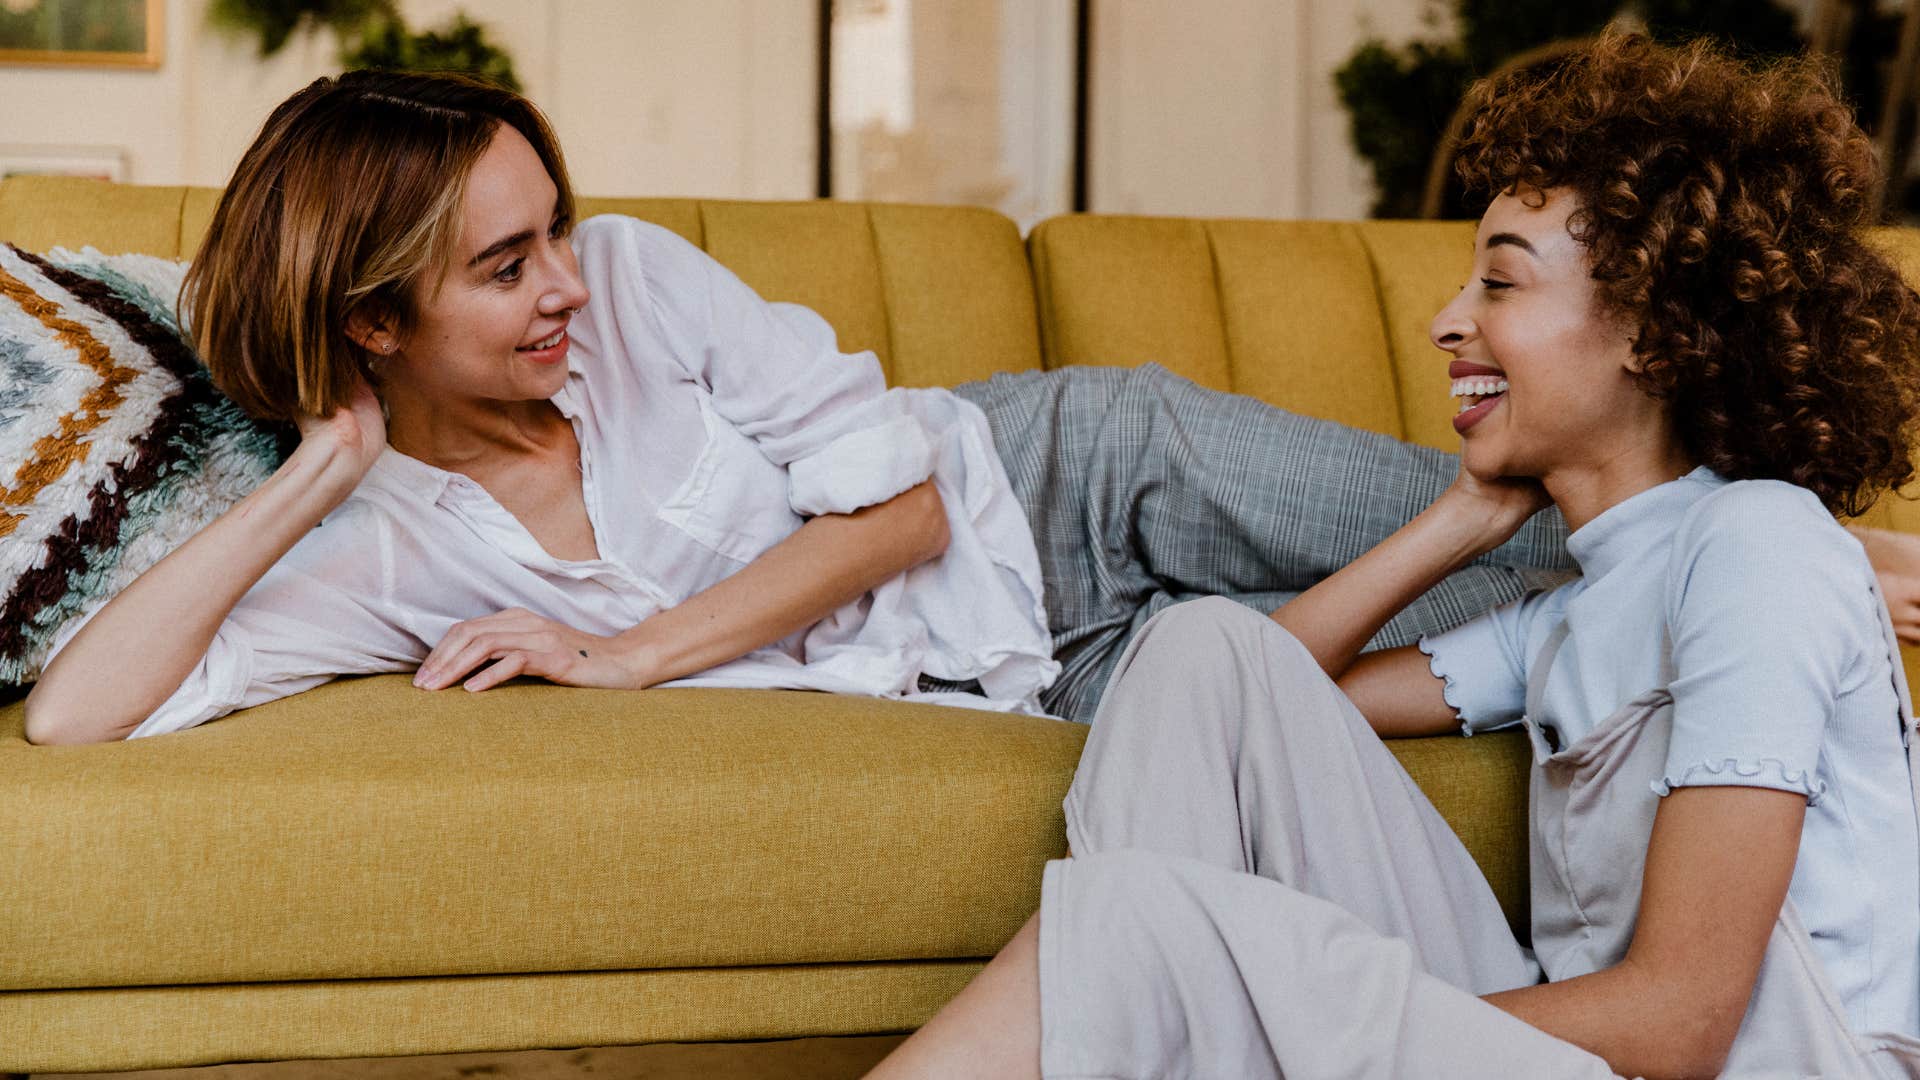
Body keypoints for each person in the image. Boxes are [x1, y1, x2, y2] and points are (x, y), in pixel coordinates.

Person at [869, 34, 1920, 1080]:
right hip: (1570, 1048)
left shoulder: (1760, 547)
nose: (1446, 322)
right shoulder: (1574, 610)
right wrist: (1461, 515)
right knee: (1197, 647)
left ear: (1651, 331)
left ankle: (1166, 1022)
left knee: (1142, 926)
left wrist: (1291, 1015)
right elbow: (1256, 689)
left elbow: (1682, 1022)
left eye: (1501, 286)